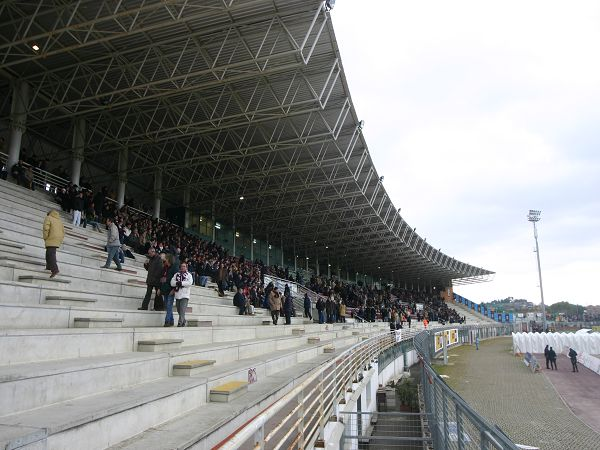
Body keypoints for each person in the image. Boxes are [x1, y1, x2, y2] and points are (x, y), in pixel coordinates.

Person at [42, 210, 64, 278]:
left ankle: (55, 269)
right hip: (58, 238)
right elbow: (63, 231)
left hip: (51, 237)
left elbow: (46, 228)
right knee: (49, 252)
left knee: (51, 253)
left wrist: (45, 237)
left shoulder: (48, 217)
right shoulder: (59, 220)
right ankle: (48, 266)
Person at [171, 262, 193, 327]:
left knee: (182, 309)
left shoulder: (189, 275)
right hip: (178, 294)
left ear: (186, 267)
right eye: (182, 266)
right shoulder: (176, 274)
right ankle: (184, 321)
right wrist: (177, 283)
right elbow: (172, 282)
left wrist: (182, 283)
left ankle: (180, 323)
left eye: (184, 266)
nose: (183, 267)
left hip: (185, 295)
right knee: (178, 310)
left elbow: (189, 283)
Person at [161, 254, 178, 327]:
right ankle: (171, 321)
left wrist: (174, 290)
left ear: (169, 259)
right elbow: (162, 278)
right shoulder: (165, 267)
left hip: (171, 290)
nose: (165, 260)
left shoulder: (175, 268)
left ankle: (167, 321)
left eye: (166, 258)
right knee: (167, 306)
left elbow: (177, 280)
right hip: (165, 289)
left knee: (169, 305)